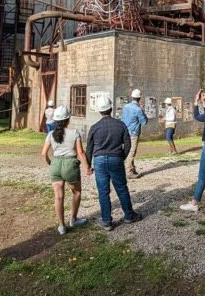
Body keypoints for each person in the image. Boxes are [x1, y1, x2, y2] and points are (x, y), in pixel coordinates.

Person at [86, 96, 142, 230]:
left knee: (103, 191)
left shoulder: (94, 127)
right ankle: (129, 215)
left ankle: (106, 221)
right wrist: (121, 157)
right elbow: (127, 144)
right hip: (116, 158)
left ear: (99, 111)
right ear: (111, 108)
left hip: (99, 160)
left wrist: (88, 165)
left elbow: (89, 149)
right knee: (121, 188)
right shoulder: (120, 125)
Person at [40, 105, 90, 235]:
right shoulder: (74, 133)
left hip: (55, 164)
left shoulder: (50, 134)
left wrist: (50, 163)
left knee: (58, 197)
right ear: (68, 119)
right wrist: (87, 167)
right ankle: (73, 219)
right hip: (70, 164)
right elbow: (80, 152)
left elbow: (43, 153)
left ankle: (61, 226)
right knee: (76, 192)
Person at [121, 89, 148, 179]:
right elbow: (144, 122)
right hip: (133, 133)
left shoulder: (126, 107)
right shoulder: (138, 109)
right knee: (132, 152)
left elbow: (122, 119)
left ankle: (132, 169)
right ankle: (129, 171)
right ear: (139, 98)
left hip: (125, 132)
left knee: (127, 150)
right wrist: (143, 111)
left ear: (132, 97)